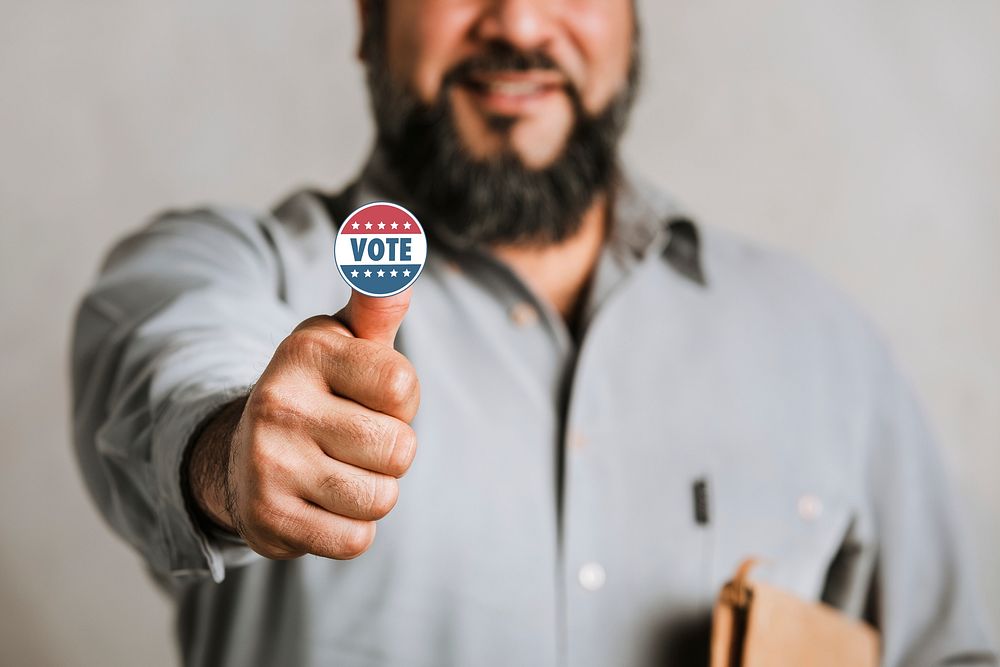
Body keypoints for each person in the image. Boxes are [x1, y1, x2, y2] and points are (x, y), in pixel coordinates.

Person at [72, 1, 997, 665]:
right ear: (365, 17)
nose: (518, 23)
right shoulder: (231, 269)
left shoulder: (826, 344)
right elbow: (170, 362)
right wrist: (233, 455)